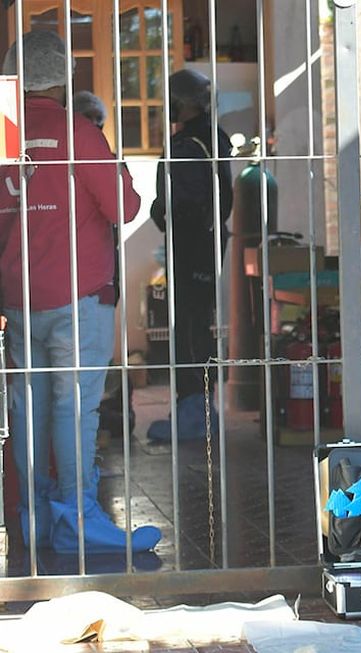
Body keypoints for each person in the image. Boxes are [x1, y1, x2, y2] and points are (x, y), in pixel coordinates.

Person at [0, 31, 161, 553]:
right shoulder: (76, 131)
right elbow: (126, 207)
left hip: (18, 295)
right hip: (78, 294)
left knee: (28, 407)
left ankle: (31, 518)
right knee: (74, 408)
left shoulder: (4, 134)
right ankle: (77, 519)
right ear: (64, 78)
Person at [147, 69, 233, 441]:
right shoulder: (214, 137)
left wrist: (158, 211)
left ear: (183, 102)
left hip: (191, 246)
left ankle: (193, 413)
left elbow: (178, 205)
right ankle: (200, 409)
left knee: (189, 329)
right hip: (208, 244)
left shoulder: (188, 144)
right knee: (199, 324)